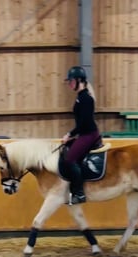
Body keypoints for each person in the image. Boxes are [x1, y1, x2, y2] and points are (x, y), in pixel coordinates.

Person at [62, 66, 101, 205]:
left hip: (89, 134)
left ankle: (79, 194)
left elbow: (84, 123)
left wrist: (70, 134)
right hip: (84, 133)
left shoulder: (86, 99)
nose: (69, 84)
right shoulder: (80, 97)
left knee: (70, 159)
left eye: (71, 81)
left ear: (79, 80)